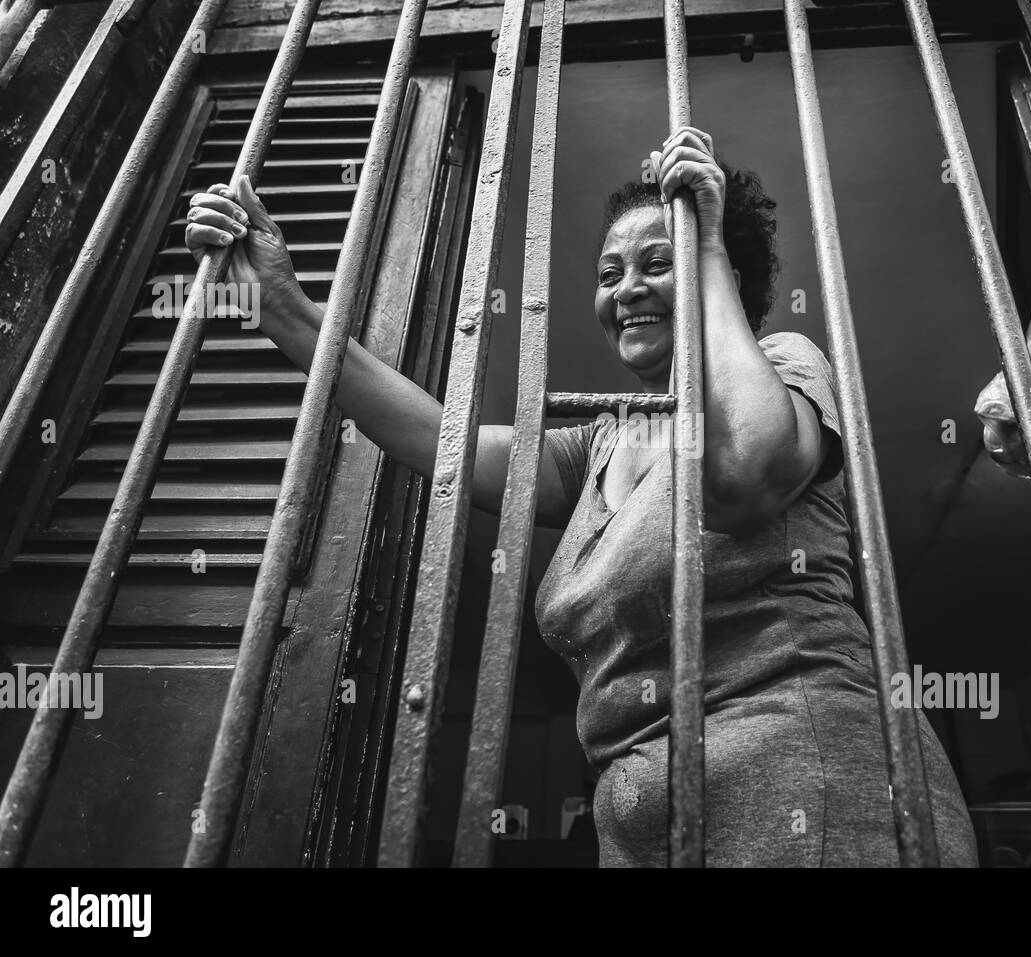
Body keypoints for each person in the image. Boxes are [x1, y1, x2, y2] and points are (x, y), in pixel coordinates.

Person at [186, 125, 979, 867]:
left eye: (659, 262)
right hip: (646, 832)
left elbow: (744, 479)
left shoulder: (785, 362)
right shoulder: (603, 439)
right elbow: (440, 441)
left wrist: (704, 246)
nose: (627, 288)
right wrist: (288, 314)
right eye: (610, 273)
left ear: (721, 272)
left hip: (815, 801)